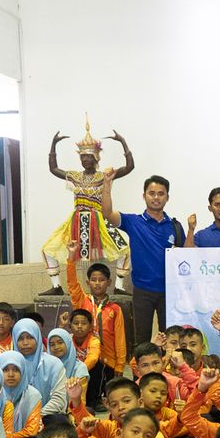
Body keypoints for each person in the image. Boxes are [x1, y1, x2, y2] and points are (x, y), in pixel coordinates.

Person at [43, 119, 134, 295]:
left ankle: (119, 286)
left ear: (96, 157)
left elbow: (129, 167)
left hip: (99, 222)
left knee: (125, 249)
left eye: (89, 156)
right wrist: (53, 145)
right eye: (82, 156)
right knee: (47, 249)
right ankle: (56, 286)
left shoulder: (104, 176)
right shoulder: (75, 176)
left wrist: (123, 142)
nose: (85, 159)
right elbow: (53, 168)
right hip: (75, 221)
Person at [103, 171, 182, 343]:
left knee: (170, 340)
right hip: (142, 290)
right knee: (142, 340)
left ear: (167, 197)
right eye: (152, 193)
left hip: (170, 292)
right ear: (144, 196)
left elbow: (186, 256)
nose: (156, 197)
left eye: (161, 193)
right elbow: (107, 213)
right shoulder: (133, 221)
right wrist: (107, 185)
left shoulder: (175, 226)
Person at [65, 261, 126, 403]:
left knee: (106, 394)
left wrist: (120, 365)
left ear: (109, 282)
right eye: (93, 280)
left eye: (102, 280)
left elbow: (120, 338)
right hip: (84, 357)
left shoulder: (115, 309)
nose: (97, 283)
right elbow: (72, 283)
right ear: (88, 282)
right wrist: (71, 259)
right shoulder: (82, 301)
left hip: (108, 360)